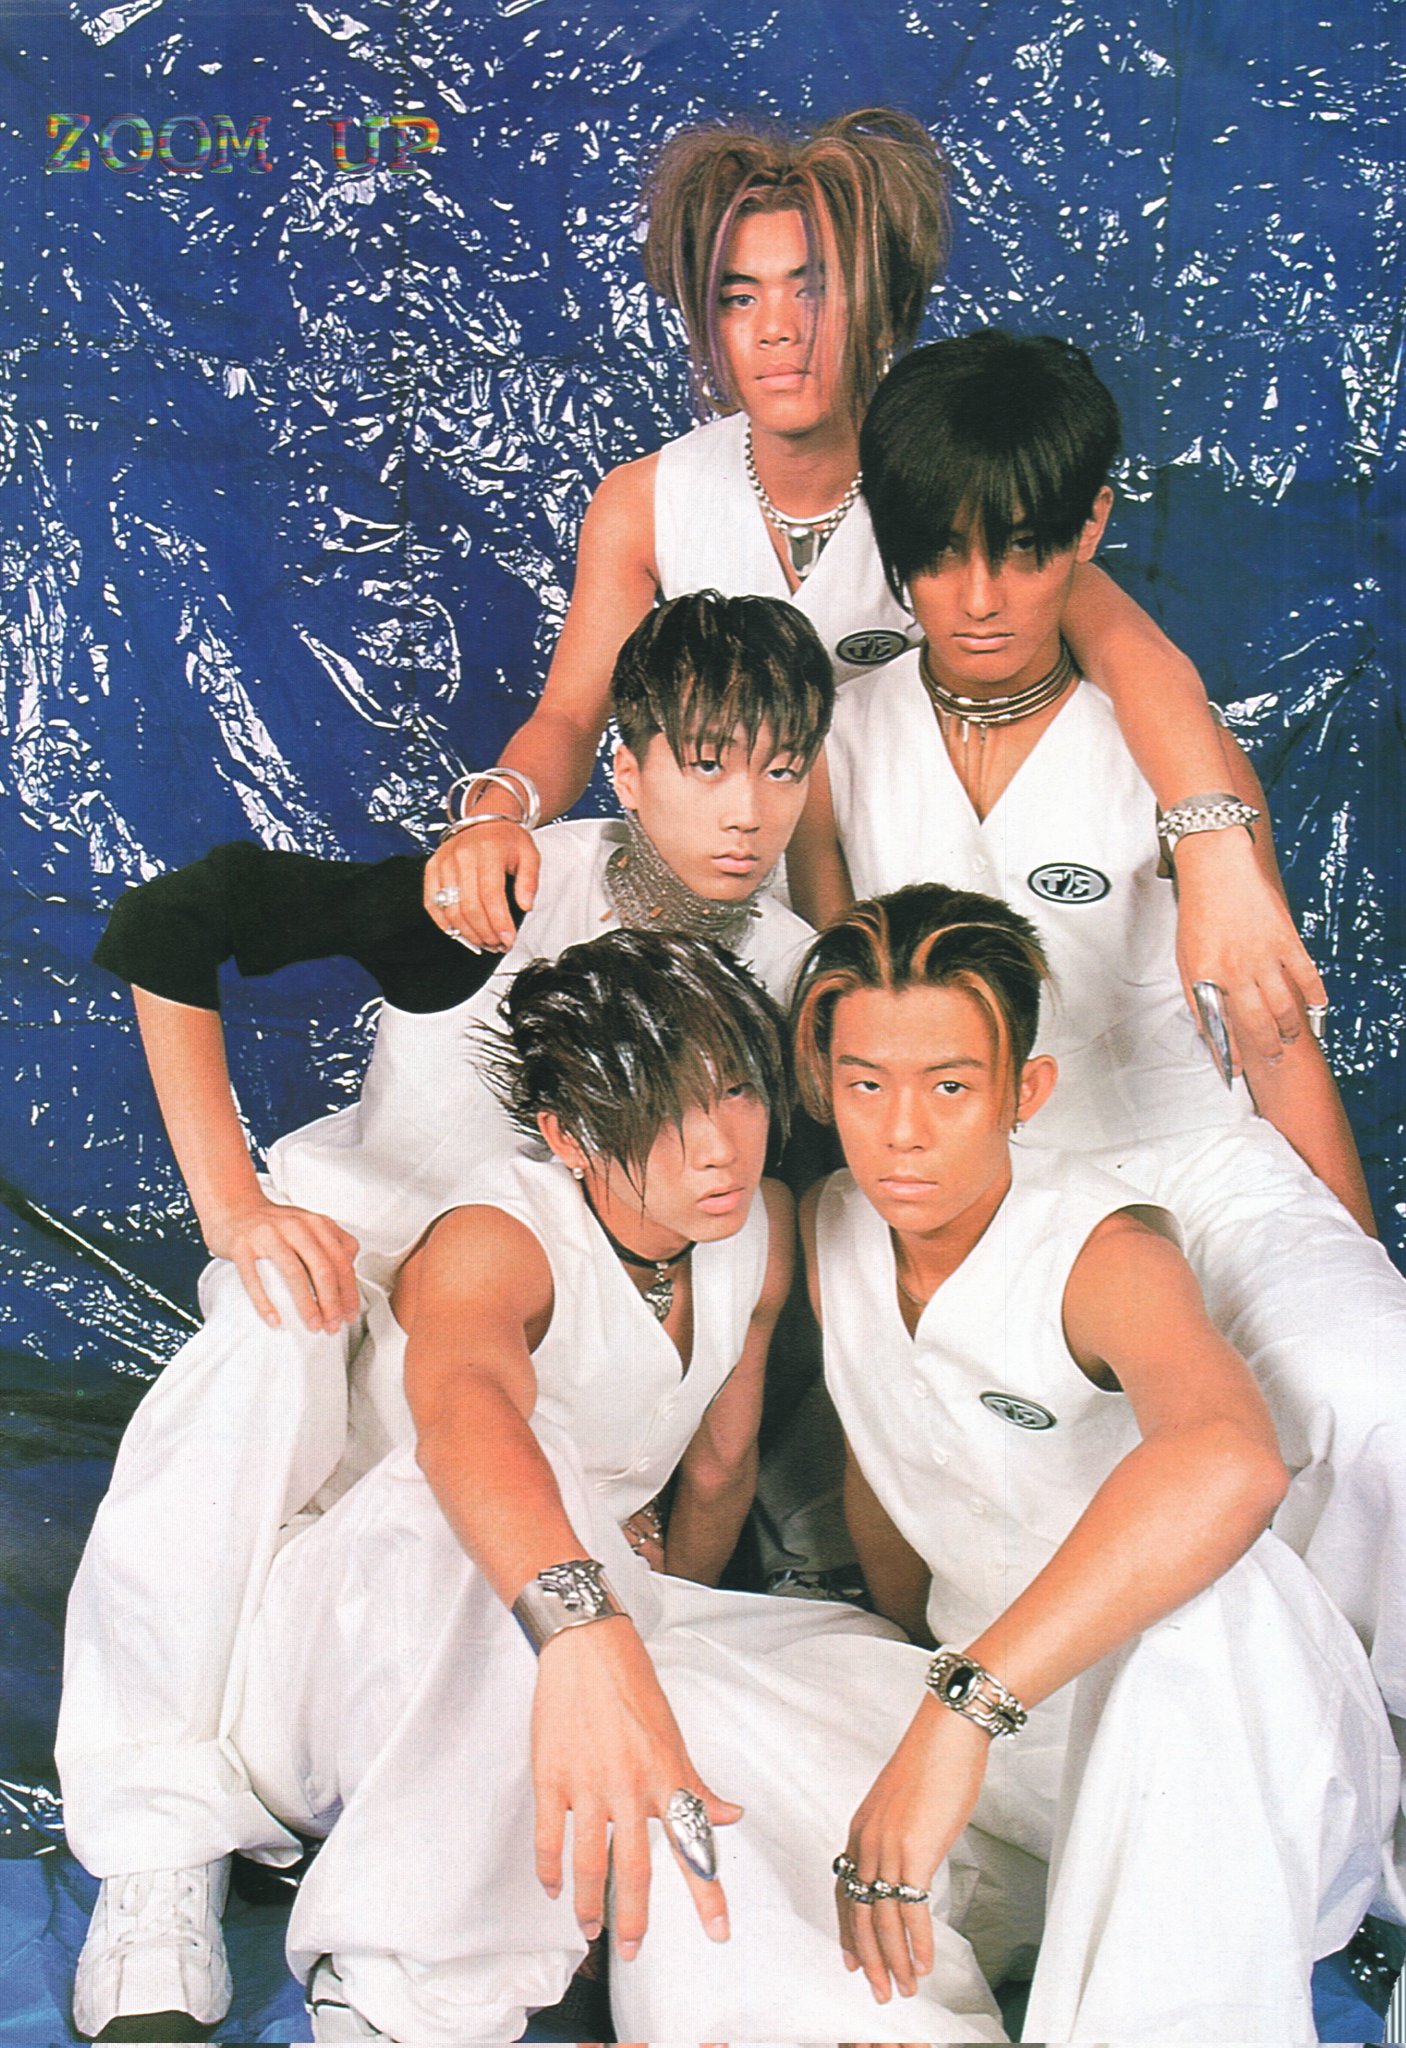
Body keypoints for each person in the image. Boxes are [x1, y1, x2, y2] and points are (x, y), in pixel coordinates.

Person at [59, 590, 831, 2042]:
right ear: (627, 765)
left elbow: (741, 1260)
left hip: (533, 1381)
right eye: (707, 763)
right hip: (360, 1304)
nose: (746, 810)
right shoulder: (510, 888)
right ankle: (158, 1855)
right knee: (268, 1332)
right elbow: (172, 923)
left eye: (781, 768)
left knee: (563, 1554)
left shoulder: (791, 975)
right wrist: (233, 1209)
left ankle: (413, 1960)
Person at [793, 328, 1406, 1910]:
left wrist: (1347, 1262)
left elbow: (1271, 1041)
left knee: (1368, 1390)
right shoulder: (840, 742)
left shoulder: (1166, 746)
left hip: (1194, 1154)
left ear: (1089, 528)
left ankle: (1378, 1782)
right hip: (996, 1196)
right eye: (938, 557)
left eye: (1019, 552)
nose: (979, 598)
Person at [422, 106, 1322, 1076]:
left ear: (881, 306)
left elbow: (1138, 659)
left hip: (900, 892)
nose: (777, 330)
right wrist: (495, 811)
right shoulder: (646, 500)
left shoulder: (939, 474)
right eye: (738, 297)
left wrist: (1216, 853)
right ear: (705, 321)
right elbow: (568, 715)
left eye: (813, 290)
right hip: (714, 897)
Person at [229, 931, 1006, 2044]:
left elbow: (720, 1468)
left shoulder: (755, 1233)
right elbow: (464, 1420)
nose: (718, 1147)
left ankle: (793, 2016)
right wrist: (588, 1633)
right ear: (569, 1136)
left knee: (848, 1705)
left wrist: (635, 1633)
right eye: (662, 1111)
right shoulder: (496, 1237)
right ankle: (407, 1989)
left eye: (736, 1093)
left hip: (597, 1611)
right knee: (513, 1480)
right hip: (363, 1656)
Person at [761, 884, 1385, 2041]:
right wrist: (914, 1675)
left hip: (1200, 1735)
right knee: (695, 1681)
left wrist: (960, 1710)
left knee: (1202, 1606)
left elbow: (1231, 1460)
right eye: (864, 1084)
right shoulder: (830, 1222)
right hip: (1006, 1755)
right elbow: (885, 1471)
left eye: (949, 1086)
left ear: (1024, 1092)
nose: (901, 1130)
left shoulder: (1106, 1250)